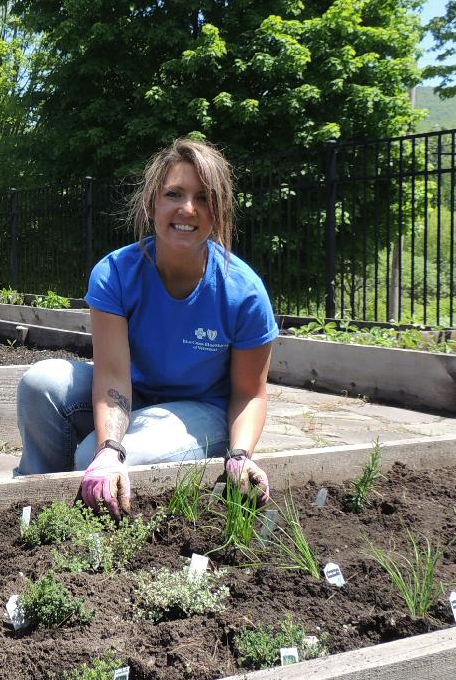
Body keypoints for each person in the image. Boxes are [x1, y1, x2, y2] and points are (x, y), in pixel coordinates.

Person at [14, 137, 276, 516]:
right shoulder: (117, 273)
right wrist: (110, 449)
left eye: (204, 198)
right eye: (175, 194)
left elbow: (250, 393)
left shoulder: (244, 292)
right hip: (135, 396)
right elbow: (114, 377)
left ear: (218, 212)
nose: (188, 209)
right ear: (152, 202)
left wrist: (239, 455)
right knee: (43, 384)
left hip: (203, 412)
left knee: (89, 454)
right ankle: (32, 503)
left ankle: (87, 509)